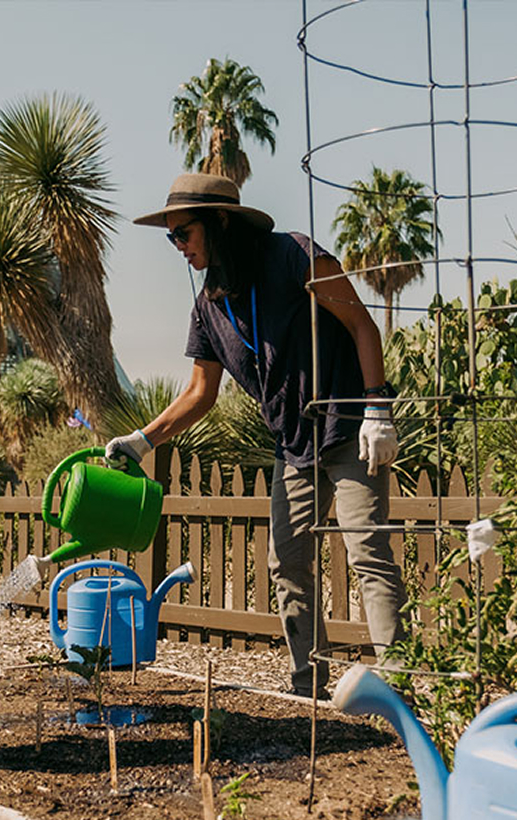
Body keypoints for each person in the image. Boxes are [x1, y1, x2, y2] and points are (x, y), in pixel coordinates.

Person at [105, 173, 406, 699]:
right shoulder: (209, 306)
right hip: (293, 444)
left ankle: (403, 688)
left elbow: (362, 324)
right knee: (287, 563)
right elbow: (200, 393)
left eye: (183, 234)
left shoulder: (293, 255)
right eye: (170, 237)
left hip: (350, 426)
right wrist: (142, 440)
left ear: (220, 222)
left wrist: (378, 408)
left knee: (367, 552)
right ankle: (307, 690)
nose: (177, 246)